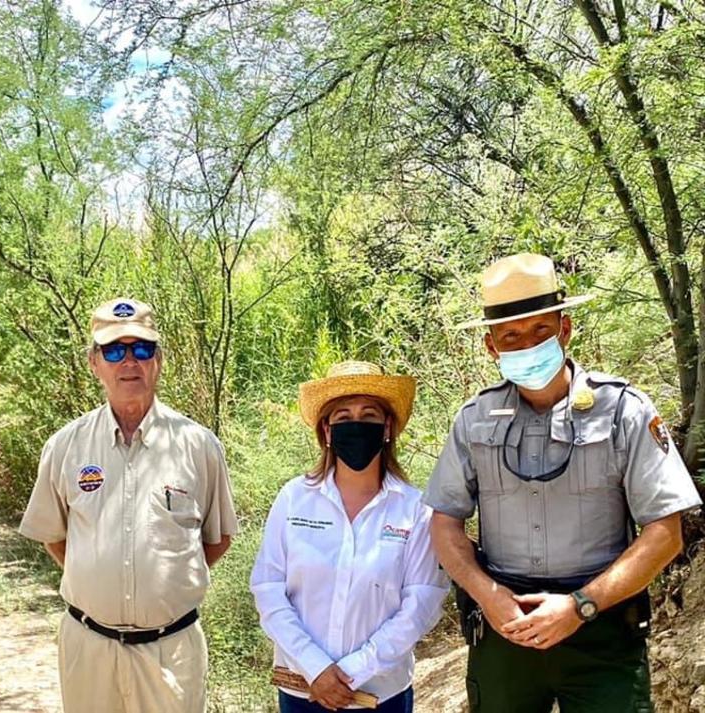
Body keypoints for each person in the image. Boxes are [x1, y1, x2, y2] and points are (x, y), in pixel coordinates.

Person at [424, 253, 702, 712]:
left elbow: (665, 534)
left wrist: (580, 606)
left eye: (541, 330)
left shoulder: (624, 411)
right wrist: (487, 595)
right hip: (504, 629)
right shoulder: (474, 420)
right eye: (511, 336)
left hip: (602, 628)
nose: (528, 345)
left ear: (565, 329)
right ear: (492, 348)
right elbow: (444, 523)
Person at [19, 298, 240, 713]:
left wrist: (165, 586)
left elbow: (217, 539)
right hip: (89, 648)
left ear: (158, 360)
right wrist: (97, 576)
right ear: (94, 362)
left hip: (171, 653)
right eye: (113, 350)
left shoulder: (198, 445)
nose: (129, 362)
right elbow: (55, 537)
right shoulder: (66, 445)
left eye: (141, 348)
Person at [251, 361, 448, 713]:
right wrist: (315, 668)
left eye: (369, 415)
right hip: (303, 693)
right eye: (343, 417)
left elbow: (421, 603)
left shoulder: (415, 510)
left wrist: (351, 672)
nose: (356, 424)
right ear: (327, 431)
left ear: (387, 427)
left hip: (380, 696)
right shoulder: (294, 498)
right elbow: (268, 588)